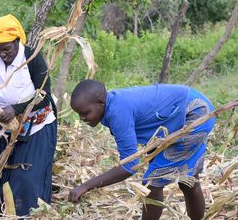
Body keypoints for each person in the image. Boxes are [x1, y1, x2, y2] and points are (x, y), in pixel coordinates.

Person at [68, 79, 215, 220]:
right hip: (192, 108)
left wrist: (86, 186)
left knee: (152, 183)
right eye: (79, 114)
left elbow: (129, 165)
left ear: (101, 103)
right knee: (187, 180)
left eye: (85, 112)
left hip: (194, 114)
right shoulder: (112, 103)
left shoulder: (118, 113)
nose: (82, 118)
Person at [0, 14, 57, 216]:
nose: (2, 55)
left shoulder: (33, 60)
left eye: (7, 49)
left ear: (17, 41)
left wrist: (16, 109)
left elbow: (45, 96)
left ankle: (30, 214)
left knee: (27, 178)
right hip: (2, 129)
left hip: (34, 128)